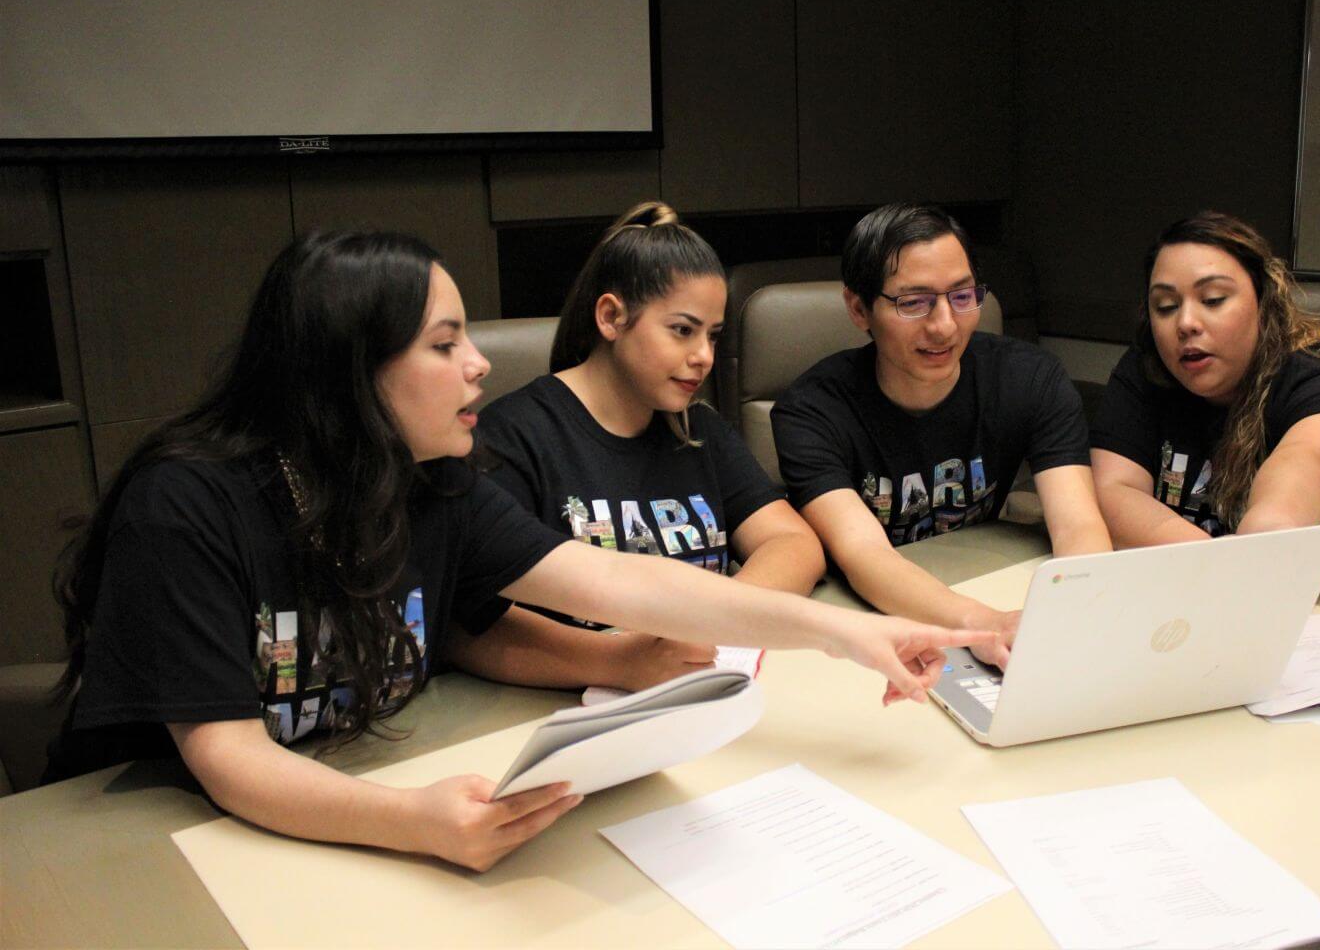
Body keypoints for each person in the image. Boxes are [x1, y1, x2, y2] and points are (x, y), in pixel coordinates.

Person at [45, 231, 995, 873]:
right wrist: (416, 821)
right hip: (165, 833)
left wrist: (844, 636)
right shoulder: (188, 505)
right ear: (347, 372)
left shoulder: (433, 477)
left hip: (341, 789)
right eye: (444, 343)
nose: (480, 365)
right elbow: (227, 758)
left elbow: (621, 580)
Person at [474, 203, 825, 691]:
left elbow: (794, 543)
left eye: (713, 335)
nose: (703, 357)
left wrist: (710, 622)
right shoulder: (514, 436)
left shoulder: (696, 427)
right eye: (682, 330)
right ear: (611, 317)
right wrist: (618, 660)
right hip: (561, 709)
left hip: (696, 692)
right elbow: (469, 622)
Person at [771, 204, 1112, 663]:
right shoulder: (812, 410)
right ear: (858, 308)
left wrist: (1081, 612)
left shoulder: (1030, 379)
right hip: (869, 623)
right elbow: (865, 555)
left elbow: (1078, 524)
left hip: (985, 576)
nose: (945, 325)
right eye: (913, 303)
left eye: (962, 295)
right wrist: (981, 623)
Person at [1090, 210, 1320, 593]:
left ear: (1264, 303)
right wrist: (1212, 564)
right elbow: (1113, 490)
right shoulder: (1148, 368)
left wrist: (1256, 546)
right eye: (1165, 306)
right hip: (1225, 596)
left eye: (1213, 299)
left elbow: (1304, 473)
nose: (1185, 322)